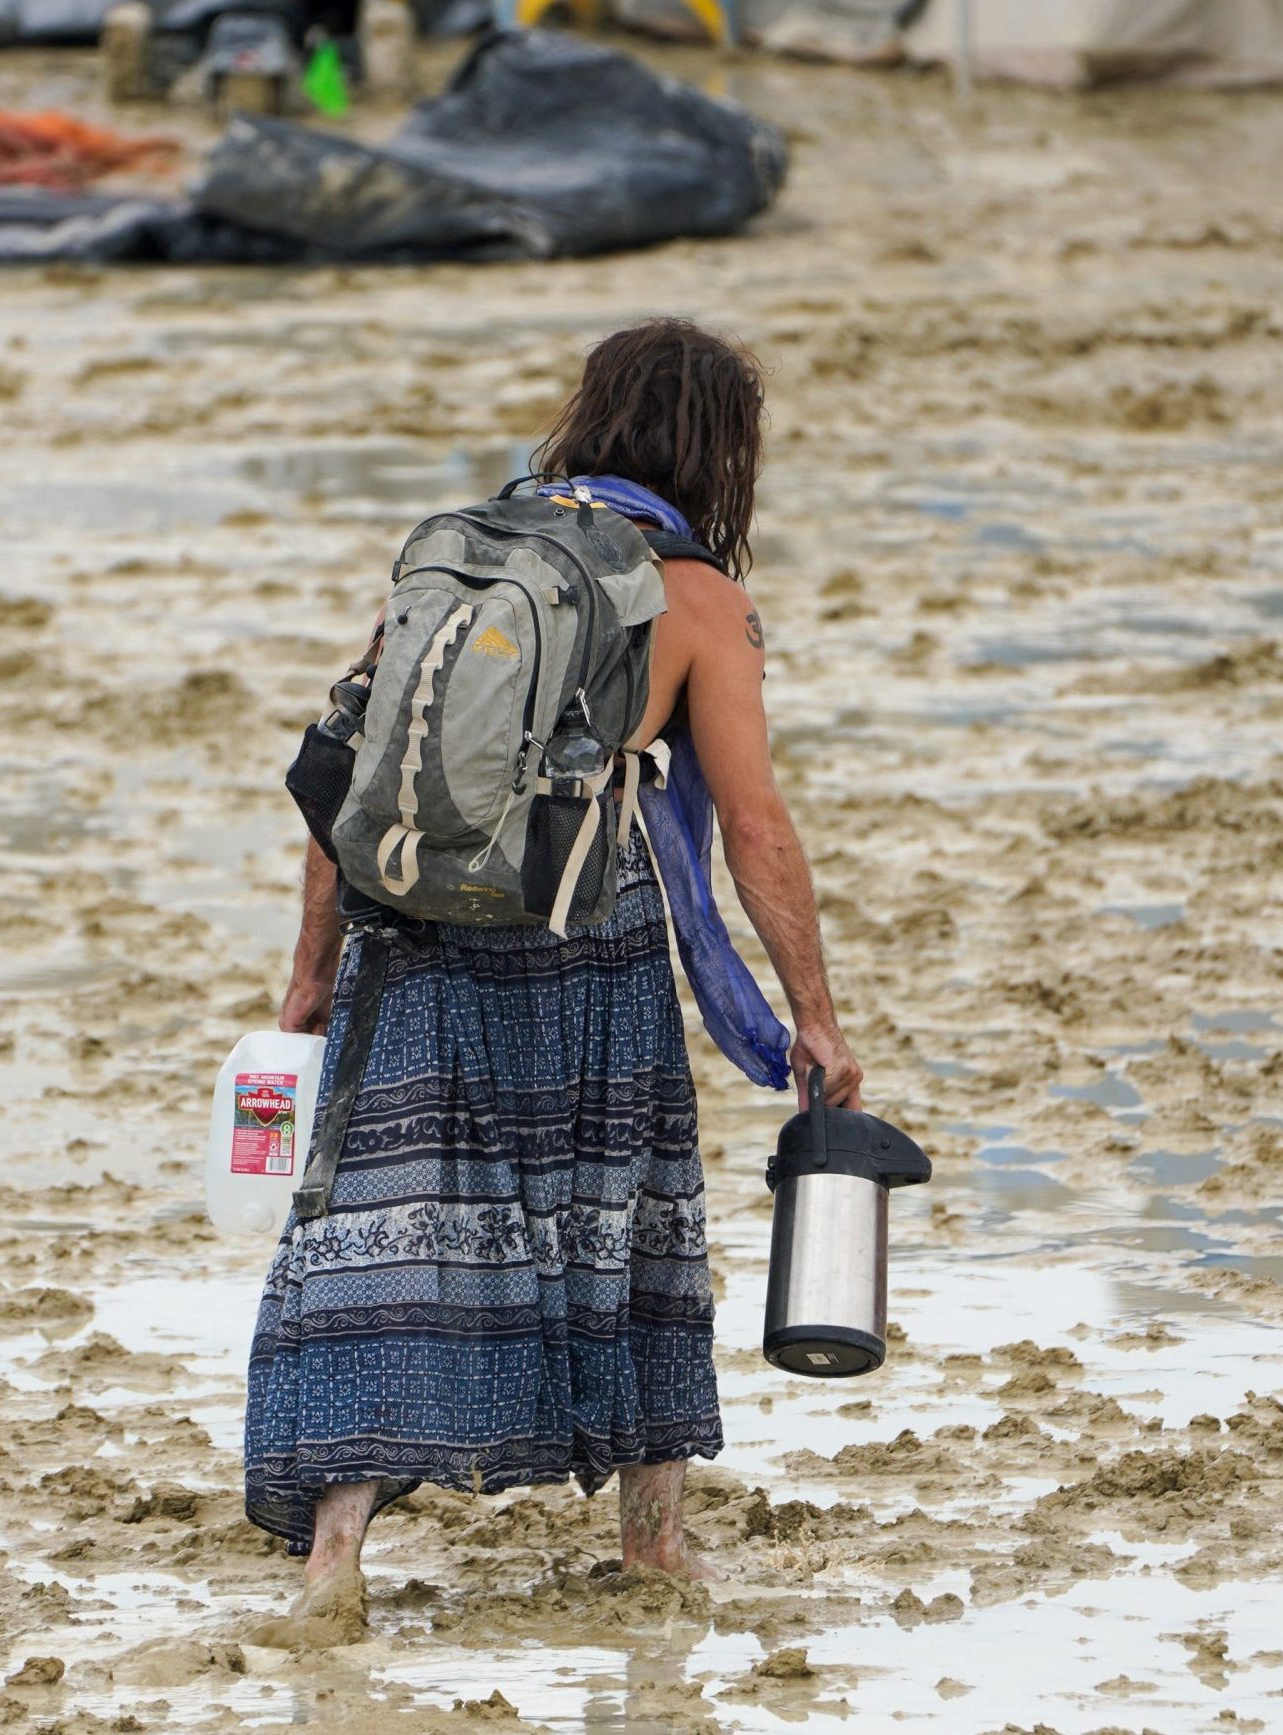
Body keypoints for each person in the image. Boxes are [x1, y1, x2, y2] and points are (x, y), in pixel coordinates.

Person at [242, 318, 863, 1644]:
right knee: (626, 1210)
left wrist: (307, 975)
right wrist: (811, 1014)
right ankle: (653, 1544)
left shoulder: (458, 548)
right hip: (590, 928)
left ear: (591, 415)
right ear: (720, 452)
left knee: (396, 1221)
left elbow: (343, 771)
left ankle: (333, 1560)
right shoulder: (693, 598)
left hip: (407, 926)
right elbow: (753, 826)